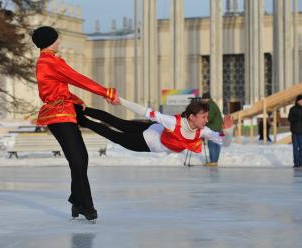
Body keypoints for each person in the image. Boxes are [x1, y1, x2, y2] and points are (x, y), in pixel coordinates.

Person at [32, 26, 119, 221]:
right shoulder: (48, 61)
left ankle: (77, 201)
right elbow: (77, 78)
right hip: (57, 116)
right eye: (57, 39)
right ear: (50, 41)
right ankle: (86, 206)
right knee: (78, 160)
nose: (59, 42)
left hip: (64, 113)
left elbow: (59, 89)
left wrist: (76, 100)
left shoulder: (51, 61)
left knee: (81, 158)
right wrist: (106, 92)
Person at [75, 98, 233, 155]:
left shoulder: (203, 131)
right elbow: (146, 112)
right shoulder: (173, 122)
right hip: (146, 129)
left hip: (142, 143)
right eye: (204, 117)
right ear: (192, 117)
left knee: (112, 135)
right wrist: (120, 100)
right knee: (117, 122)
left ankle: (83, 121)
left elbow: (224, 142)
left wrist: (227, 130)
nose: (207, 120)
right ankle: (82, 109)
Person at [202, 92, 223, 166]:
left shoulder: (210, 105)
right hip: (219, 128)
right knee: (217, 145)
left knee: (211, 145)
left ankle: (213, 161)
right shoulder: (213, 104)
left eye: (203, 99)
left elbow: (209, 117)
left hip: (213, 128)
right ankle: (215, 161)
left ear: (205, 99)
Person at [288, 95, 302, 168]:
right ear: (297, 101)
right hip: (295, 132)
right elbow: (289, 118)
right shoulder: (292, 109)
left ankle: (300, 162)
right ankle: (296, 163)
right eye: (301, 100)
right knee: (295, 148)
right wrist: (295, 118)